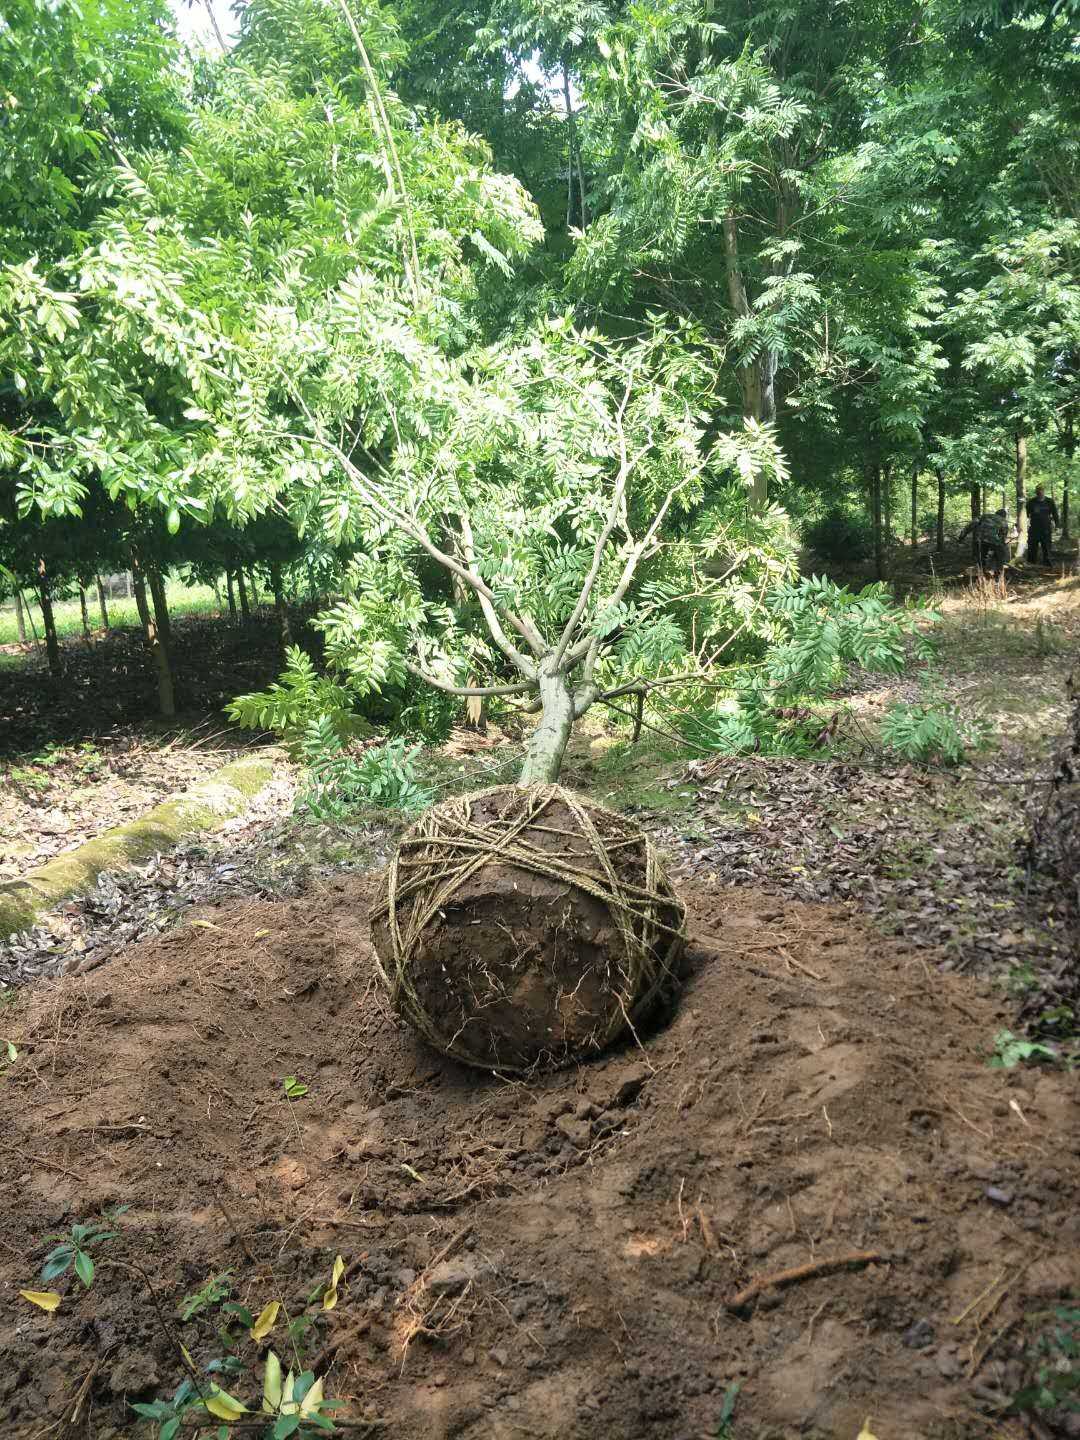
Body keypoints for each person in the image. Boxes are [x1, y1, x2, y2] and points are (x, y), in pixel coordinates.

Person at [958, 509, 1009, 575]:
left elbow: (971, 525)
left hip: (979, 539)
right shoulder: (1003, 521)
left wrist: (962, 536)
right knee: (1000, 555)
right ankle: (999, 573)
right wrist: (1000, 545)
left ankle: (982, 573)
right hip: (993, 540)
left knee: (981, 558)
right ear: (1004, 516)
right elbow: (1003, 535)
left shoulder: (984, 516)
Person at [1026, 484, 1060, 565]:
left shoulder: (1049, 501)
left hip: (1046, 529)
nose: (1040, 492)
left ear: (1044, 491)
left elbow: (1055, 514)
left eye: (1041, 491)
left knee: (1047, 547)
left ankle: (1048, 564)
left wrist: (1057, 525)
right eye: (1038, 491)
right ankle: (1031, 563)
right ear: (1036, 492)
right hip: (1034, 529)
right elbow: (1025, 514)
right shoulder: (1031, 502)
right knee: (1032, 547)